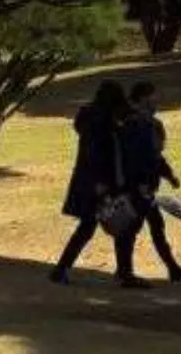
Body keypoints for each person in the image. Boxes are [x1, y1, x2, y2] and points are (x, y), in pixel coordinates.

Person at [51, 81, 150, 288]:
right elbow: (98, 155)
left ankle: (62, 269)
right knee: (121, 226)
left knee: (93, 227)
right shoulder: (100, 123)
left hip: (93, 182)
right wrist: (103, 183)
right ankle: (124, 273)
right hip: (102, 183)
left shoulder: (93, 120)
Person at [123, 82, 181, 283]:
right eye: (153, 97)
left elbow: (155, 156)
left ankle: (172, 269)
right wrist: (141, 183)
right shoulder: (136, 124)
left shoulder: (149, 123)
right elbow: (137, 157)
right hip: (138, 186)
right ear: (143, 99)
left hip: (144, 186)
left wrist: (169, 176)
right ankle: (128, 272)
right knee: (136, 228)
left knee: (149, 227)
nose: (157, 101)